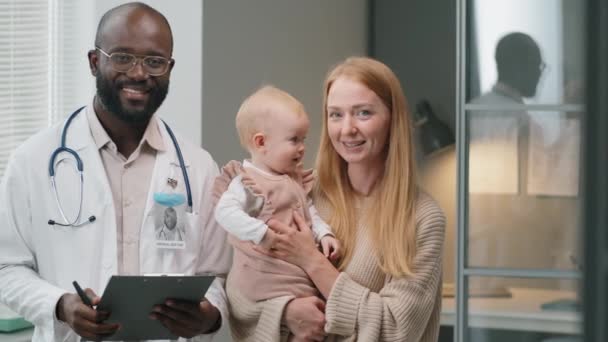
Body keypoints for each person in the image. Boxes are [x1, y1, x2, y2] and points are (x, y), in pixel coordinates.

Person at [0, 3, 231, 341]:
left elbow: (217, 277)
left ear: (170, 68)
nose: (139, 74)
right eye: (122, 57)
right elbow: (7, 268)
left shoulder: (198, 167)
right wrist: (60, 305)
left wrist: (207, 317)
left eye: (154, 61)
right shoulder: (33, 160)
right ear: (95, 62)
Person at [228, 56, 446, 341]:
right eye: (336, 114)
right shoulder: (299, 192)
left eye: (364, 113)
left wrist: (312, 261)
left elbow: (396, 329)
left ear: (393, 119)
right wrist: (286, 312)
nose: (347, 129)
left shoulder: (423, 218)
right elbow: (240, 291)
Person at [212, 85, 341, 341]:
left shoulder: (291, 179)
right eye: (294, 140)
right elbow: (224, 213)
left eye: (304, 139)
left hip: (297, 275)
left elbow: (307, 210)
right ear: (261, 143)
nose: (303, 147)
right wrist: (261, 233)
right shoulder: (248, 182)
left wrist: (324, 233)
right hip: (267, 276)